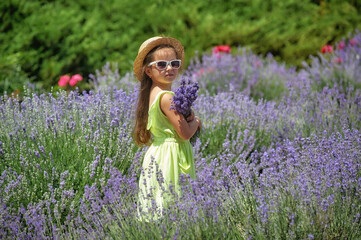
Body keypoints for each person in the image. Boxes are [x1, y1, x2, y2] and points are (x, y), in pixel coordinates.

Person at [133, 36, 202, 219]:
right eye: (161, 64)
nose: (169, 68)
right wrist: (196, 122)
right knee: (173, 208)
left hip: (159, 153)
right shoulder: (167, 97)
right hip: (170, 156)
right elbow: (185, 134)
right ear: (148, 71)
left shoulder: (153, 93)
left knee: (158, 207)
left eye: (174, 63)